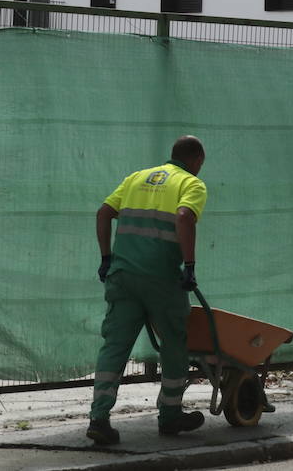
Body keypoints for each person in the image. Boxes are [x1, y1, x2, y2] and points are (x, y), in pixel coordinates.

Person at [87, 135, 208, 445]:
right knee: (174, 343)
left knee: (115, 346)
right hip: (161, 279)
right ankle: (170, 416)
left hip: (123, 275)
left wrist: (105, 258)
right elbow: (183, 217)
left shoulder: (136, 178)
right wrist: (190, 266)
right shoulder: (191, 184)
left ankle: (99, 418)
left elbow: (103, 213)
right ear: (196, 160)